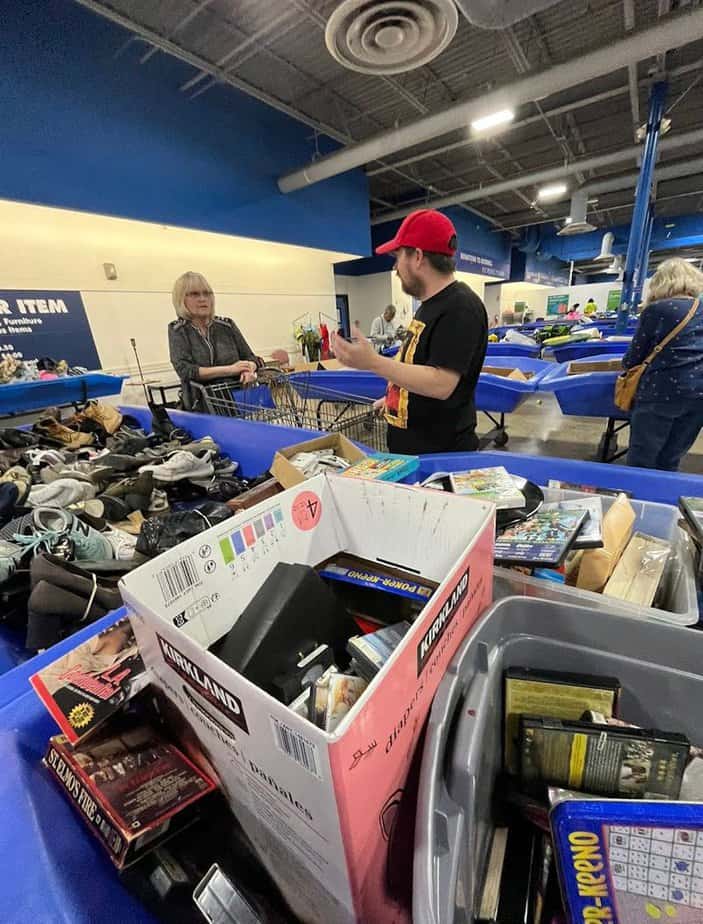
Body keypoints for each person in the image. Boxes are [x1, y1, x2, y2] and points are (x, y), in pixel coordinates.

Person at [332, 209, 488, 454]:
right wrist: (395, 400)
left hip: (439, 458)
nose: (395, 268)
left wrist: (373, 362)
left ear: (417, 256)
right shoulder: (428, 306)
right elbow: (421, 366)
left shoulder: (460, 306)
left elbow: (441, 384)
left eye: (397, 257)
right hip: (413, 450)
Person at [624, 257, 703, 471]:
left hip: (661, 392)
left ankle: (636, 501)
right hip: (699, 396)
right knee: (671, 458)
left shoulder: (658, 309)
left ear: (660, 282)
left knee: (642, 458)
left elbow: (635, 357)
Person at [168, 271, 259, 410]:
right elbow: (186, 371)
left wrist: (249, 369)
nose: (202, 298)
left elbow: (252, 358)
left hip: (238, 403)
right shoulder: (178, 330)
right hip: (201, 407)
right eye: (194, 294)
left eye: (207, 293)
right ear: (181, 299)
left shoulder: (227, 325)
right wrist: (230, 370)